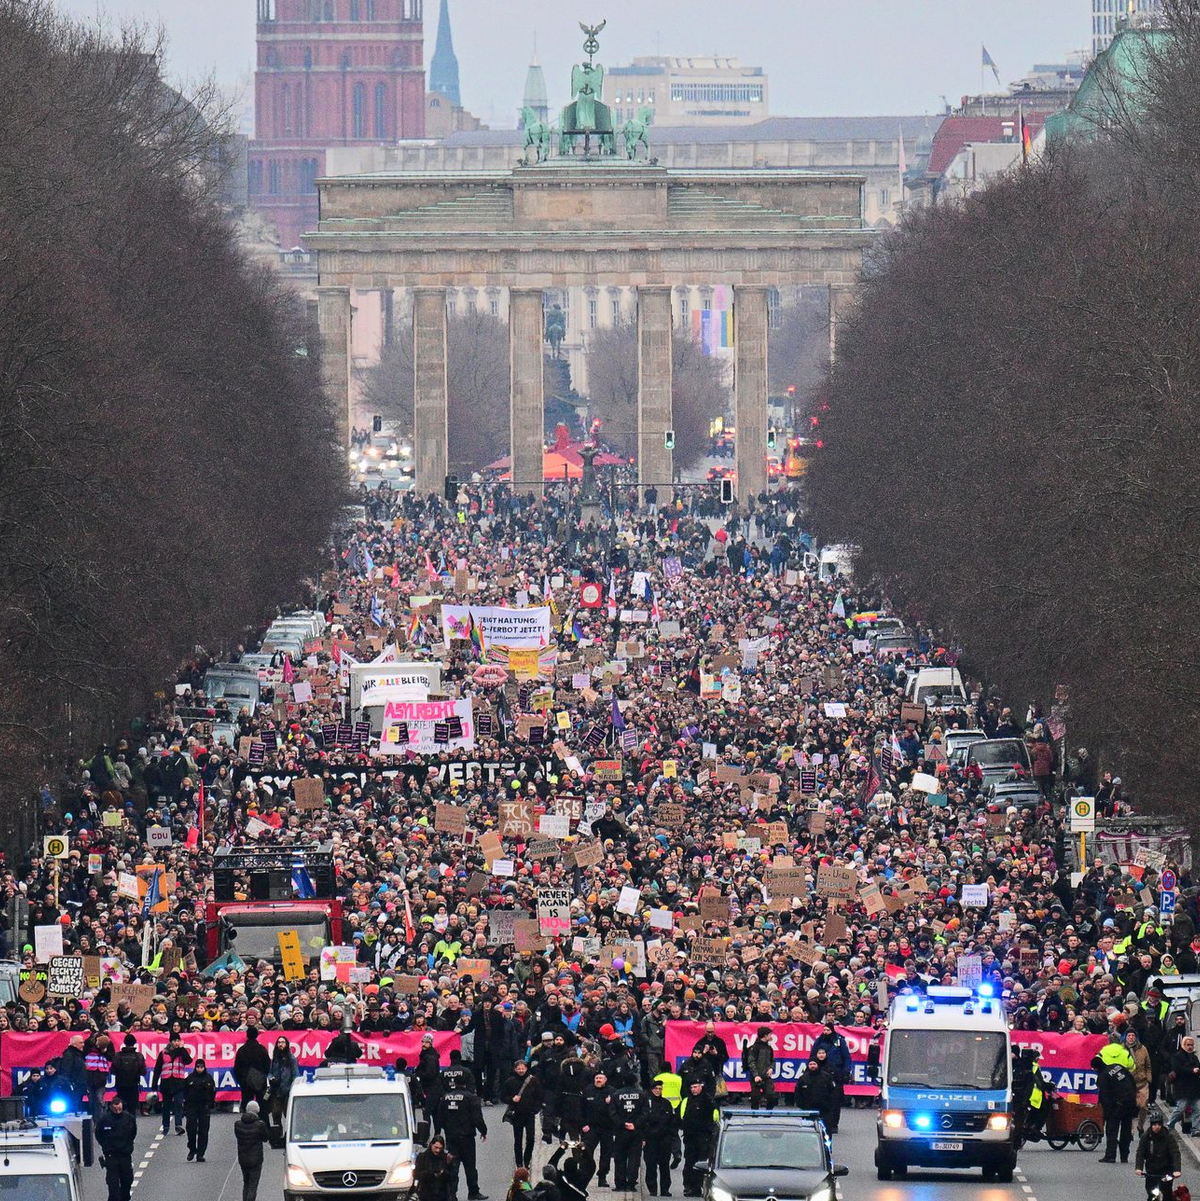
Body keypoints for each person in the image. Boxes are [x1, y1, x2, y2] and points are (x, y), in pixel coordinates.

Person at [436, 1080, 489, 1200]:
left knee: (452, 1167)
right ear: (466, 1084)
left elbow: (440, 1118)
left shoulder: (445, 1098)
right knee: (470, 1166)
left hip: (451, 1137)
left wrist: (448, 1129)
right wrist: (483, 1131)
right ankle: (473, 1192)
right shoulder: (471, 1098)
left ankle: (452, 1194)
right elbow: (477, 1118)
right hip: (467, 1138)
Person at [1093, 1035, 1138, 1163]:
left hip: (1116, 1105)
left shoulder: (1103, 1074)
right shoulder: (1121, 1065)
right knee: (1126, 1130)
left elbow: (1105, 1096)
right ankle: (1124, 1156)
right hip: (1128, 1102)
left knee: (1112, 1130)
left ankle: (1110, 1155)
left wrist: (1107, 1114)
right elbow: (1132, 1077)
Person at [500, 1058, 543, 1172]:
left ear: (526, 1069)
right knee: (518, 1140)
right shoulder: (510, 1082)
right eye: (518, 1069)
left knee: (530, 1139)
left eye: (522, 1068)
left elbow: (539, 1096)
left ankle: (527, 1160)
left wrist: (536, 1109)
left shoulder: (533, 1081)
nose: (521, 1071)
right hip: (517, 1114)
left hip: (529, 1114)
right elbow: (503, 1097)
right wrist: (512, 1099)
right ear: (515, 1069)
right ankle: (519, 1164)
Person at [678, 1080, 717, 1198]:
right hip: (690, 1138)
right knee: (689, 1163)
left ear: (701, 1087)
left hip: (703, 1138)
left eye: (695, 1087)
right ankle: (690, 1187)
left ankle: (701, 1187)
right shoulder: (688, 1099)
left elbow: (715, 1116)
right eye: (691, 1087)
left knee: (702, 1164)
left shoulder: (707, 1100)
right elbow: (683, 1117)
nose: (693, 1090)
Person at [609, 1077, 648, 1190]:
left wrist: (622, 1124)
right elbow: (645, 1113)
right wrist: (635, 1124)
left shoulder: (616, 1095)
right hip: (636, 1131)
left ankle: (620, 1184)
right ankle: (631, 1183)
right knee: (634, 1158)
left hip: (621, 1132)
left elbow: (612, 1113)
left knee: (620, 1157)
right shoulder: (642, 1094)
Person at [643, 1077, 680, 1196]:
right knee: (651, 1165)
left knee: (664, 1166)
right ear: (652, 1090)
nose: (658, 1091)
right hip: (651, 1140)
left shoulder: (666, 1103)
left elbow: (672, 1122)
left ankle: (665, 1189)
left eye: (660, 1088)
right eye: (656, 1089)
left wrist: (671, 1137)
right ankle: (652, 1189)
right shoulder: (647, 1103)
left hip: (664, 1140)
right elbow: (644, 1121)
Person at [96, 1095, 137, 1201]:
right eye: (115, 1109)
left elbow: (133, 1133)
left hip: (125, 1154)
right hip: (111, 1155)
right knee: (113, 1183)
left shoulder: (129, 1118)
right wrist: (106, 1146)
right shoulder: (105, 1119)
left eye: (120, 1109)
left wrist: (128, 1145)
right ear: (111, 1108)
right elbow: (98, 1134)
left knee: (127, 1181)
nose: (118, 1111)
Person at [1135, 1108, 1181, 1199]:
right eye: (1155, 1124)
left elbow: (1175, 1153)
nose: (1157, 1126)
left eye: (1159, 1124)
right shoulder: (1146, 1137)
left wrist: (1177, 1169)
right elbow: (1140, 1152)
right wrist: (1138, 1168)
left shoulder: (1168, 1137)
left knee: (1167, 1193)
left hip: (1166, 1170)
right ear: (1151, 1125)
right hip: (1152, 1171)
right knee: (1151, 1193)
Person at [151, 1032, 192, 1135]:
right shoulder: (163, 1053)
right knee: (166, 1106)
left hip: (179, 1081)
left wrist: (182, 1049)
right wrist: (154, 1083)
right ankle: (166, 1126)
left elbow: (188, 1061)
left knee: (178, 1104)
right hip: (166, 1082)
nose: (176, 1043)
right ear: (170, 1041)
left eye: (178, 1040)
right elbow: (157, 1069)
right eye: (174, 1041)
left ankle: (178, 1125)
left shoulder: (183, 1052)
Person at [581, 1069, 615, 1188]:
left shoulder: (611, 1092)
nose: (598, 1080)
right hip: (591, 1127)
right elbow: (581, 1109)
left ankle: (602, 1177)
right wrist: (583, 1124)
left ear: (605, 1080)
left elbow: (616, 1111)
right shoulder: (587, 1090)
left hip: (607, 1128)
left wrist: (610, 1103)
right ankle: (584, 1175)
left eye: (601, 1078)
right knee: (586, 1152)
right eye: (596, 1078)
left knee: (606, 1153)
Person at [234, 1099, 271, 1201]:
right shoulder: (260, 1125)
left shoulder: (238, 1124)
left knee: (246, 1182)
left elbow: (237, 1136)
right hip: (256, 1158)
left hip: (243, 1158)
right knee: (253, 1185)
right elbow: (265, 1138)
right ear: (257, 1110)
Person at [182, 1057, 216, 1162]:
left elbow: (212, 1093)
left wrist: (210, 1104)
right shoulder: (190, 1079)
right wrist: (185, 1106)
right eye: (198, 1067)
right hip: (192, 1106)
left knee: (203, 1131)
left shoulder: (209, 1078)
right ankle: (192, 1149)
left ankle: (200, 1153)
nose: (199, 1069)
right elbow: (185, 1092)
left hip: (204, 1107)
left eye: (201, 1067)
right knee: (191, 1129)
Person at [793, 1058, 836, 1135]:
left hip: (824, 1110)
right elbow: (798, 1093)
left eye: (814, 1064)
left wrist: (830, 1106)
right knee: (808, 1132)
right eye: (810, 1064)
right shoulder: (803, 1078)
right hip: (808, 1110)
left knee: (826, 1132)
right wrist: (801, 1105)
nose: (812, 1066)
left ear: (818, 1065)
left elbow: (833, 1092)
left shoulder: (826, 1077)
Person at [1167, 1034, 1200, 1134]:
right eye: (1188, 1045)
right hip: (1182, 1088)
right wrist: (1192, 1070)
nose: (1190, 1047)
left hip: (1194, 1088)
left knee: (1197, 1110)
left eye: (1191, 1045)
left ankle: (1196, 1129)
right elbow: (1178, 1069)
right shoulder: (1176, 1057)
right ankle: (1170, 1124)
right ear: (1183, 1045)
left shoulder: (1194, 1057)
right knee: (1180, 1109)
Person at [266, 1035, 299, 1136]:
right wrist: (271, 1078)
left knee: (288, 1114)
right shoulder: (274, 1059)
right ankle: (277, 1133)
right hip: (276, 1091)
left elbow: (295, 1075)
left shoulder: (291, 1059)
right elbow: (269, 1072)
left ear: (286, 1044)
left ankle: (289, 1134)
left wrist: (292, 1088)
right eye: (279, 1042)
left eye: (283, 1042)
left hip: (287, 1091)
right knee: (275, 1113)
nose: (281, 1044)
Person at [233, 1027, 270, 1112]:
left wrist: (242, 1081)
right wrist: (263, 1077)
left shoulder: (242, 1050)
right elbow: (267, 1065)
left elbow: (237, 1068)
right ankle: (262, 1123)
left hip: (246, 1082)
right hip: (260, 1081)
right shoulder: (262, 1049)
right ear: (257, 1035)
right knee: (262, 1105)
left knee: (247, 1105)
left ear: (247, 1035)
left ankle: (247, 1122)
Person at [741, 1027, 776, 1112]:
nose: (771, 1036)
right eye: (770, 1034)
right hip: (755, 1077)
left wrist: (771, 1068)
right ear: (765, 1035)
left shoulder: (769, 1048)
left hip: (766, 1076)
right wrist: (756, 1075)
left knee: (771, 1095)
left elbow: (772, 1060)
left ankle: (769, 1113)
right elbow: (751, 1062)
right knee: (755, 1097)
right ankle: (754, 1114)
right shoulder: (754, 1048)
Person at [112, 1034, 146, 1119]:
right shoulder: (138, 1056)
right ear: (134, 1043)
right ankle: (131, 1127)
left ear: (124, 1043)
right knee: (132, 1109)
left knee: (120, 1108)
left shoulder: (118, 1055)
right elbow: (143, 1071)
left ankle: (120, 1126)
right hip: (133, 1084)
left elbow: (112, 1070)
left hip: (120, 1084)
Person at [415, 1134, 458, 1201]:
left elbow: (453, 1176)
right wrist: (431, 1174)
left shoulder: (447, 1158)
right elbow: (416, 1174)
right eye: (436, 1147)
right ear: (431, 1145)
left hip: (442, 1195)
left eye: (440, 1148)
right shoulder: (422, 1157)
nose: (437, 1150)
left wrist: (443, 1173)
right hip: (426, 1195)